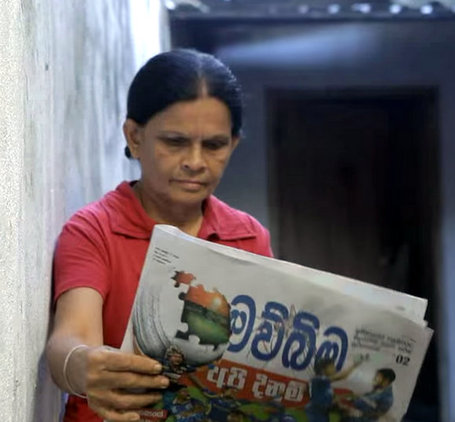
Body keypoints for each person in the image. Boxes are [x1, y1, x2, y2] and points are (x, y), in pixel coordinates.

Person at [45, 49, 273, 422]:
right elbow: (70, 338)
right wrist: (85, 366)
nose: (195, 162)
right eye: (175, 142)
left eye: (214, 145)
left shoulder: (249, 238)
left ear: (233, 144)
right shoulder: (95, 230)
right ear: (135, 137)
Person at [305, 357, 362, 422]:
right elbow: (342, 376)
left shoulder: (326, 385)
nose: (334, 368)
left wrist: (346, 403)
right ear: (323, 369)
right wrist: (354, 365)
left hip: (321, 412)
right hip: (315, 412)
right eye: (331, 367)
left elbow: (333, 399)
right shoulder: (317, 380)